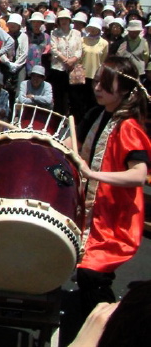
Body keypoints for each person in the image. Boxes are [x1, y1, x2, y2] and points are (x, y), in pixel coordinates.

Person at [71, 56, 151, 318]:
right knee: (86, 274)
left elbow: (138, 175)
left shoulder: (129, 127)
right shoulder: (96, 114)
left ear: (125, 90)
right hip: (95, 211)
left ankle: (105, 325)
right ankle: (93, 318)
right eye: (98, 82)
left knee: (90, 273)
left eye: (106, 85)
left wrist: (94, 174)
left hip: (115, 217)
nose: (97, 89)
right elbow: (76, 146)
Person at [49, 9, 82, 116]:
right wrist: (65, 60)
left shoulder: (77, 33)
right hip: (58, 68)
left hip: (75, 67)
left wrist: (72, 61)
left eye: (66, 19)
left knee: (75, 96)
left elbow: (79, 50)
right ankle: (59, 118)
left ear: (69, 20)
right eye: (61, 19)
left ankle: (74, 119)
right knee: (59, 95)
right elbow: (54, 50)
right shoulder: (54, 33)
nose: (64, 21)